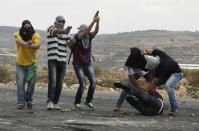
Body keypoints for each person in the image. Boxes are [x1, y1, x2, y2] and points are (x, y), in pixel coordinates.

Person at [130, 47, 183, 116]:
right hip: (166, 76)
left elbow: (153, 83)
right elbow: (146, 50)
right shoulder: (157, 52)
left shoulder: (161, 68)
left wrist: (144, 92)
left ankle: (175, 108)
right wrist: (143, 53)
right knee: (150, 85)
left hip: (177, 73)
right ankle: (156, 100)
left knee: (168, 85)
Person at [68, 14, 100, 109]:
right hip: (78, 65)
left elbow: (96, 31)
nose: (81, 31)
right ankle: (77, 103)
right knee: (82, 84)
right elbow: (85, 32)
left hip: (87, 64)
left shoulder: (89, 36)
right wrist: (93, 21)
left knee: (93, 82)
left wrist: (98, 22)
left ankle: (88, 101)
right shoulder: (78, 36)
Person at [14, 20, 41, 110]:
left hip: (31, 64)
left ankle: (29, 100)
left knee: (31, 84)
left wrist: (30, 45)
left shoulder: (35, 35)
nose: (27, 28)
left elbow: (37, 45)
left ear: (31, 26)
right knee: (20, 84)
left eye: (28, 26)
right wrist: (26, 44)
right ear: (22, 26)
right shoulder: (18, 33)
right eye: (25, 26)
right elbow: (18, 40)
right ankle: (21, 103)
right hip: (20, 64)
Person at [46, 16, 72, 110]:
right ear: (56, 22)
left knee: (60, 83)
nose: (62, 23)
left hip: (62, 60)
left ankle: (56, 102)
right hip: (52, 59)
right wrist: (65, 31)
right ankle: (50, 101)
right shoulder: (50, 28)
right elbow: (56, 31)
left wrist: (76, 40)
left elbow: (70, 45)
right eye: (60, 21)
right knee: (52, 81)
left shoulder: (66, 33)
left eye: (63, 22)